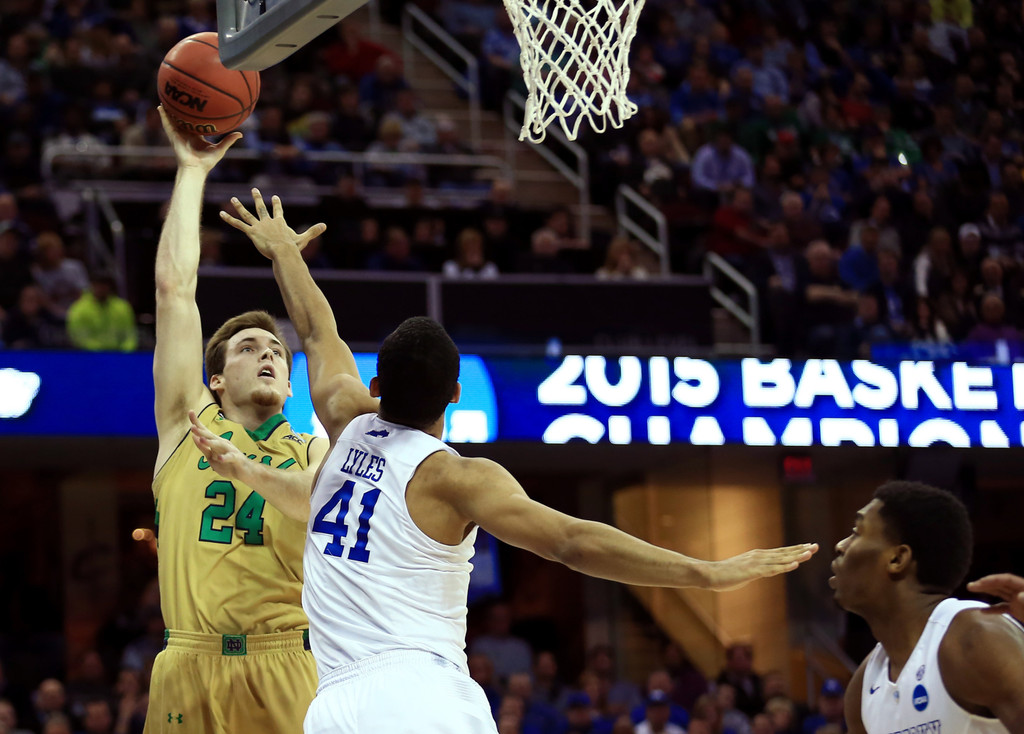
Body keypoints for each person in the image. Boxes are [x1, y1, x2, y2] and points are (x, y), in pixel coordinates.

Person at [218, 189, 819, 732]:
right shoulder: (455, 478)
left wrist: (282, 254)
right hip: (420, 692)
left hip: (332, 705)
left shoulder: (345, 416)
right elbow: (571, 540)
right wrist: (706, 573)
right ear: (456, 394)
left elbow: (319, 333)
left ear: (376, 384)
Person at [143, 108, 325, 734]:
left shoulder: (312, 449)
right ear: (215, 379)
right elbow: (174, 291)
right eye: (248, 348)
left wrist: (245, 465)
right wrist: (192, 170)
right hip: (189, 662)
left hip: (286, 665)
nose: (268, 354)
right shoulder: (184, 426)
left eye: (275, 350)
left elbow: (311, 504)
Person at [831, 481, 1024, 732]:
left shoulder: (976, 638)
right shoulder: (863, 686)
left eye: (857, 531)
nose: (841, 546)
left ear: (897, 559)